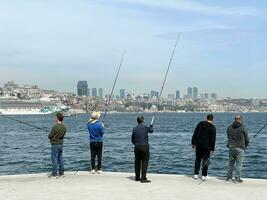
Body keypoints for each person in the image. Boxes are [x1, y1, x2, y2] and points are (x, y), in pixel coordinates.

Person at [191, 114, 216, 181]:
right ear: (212, 119)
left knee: (198, 159)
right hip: (207, 147)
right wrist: (212, 149)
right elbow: (213, 139)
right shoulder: (212, 128)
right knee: (205, 161)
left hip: (198, 145)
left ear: (206, 118)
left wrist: (193, 143)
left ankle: (196, 174)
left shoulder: (200, 124)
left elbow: (195, 134)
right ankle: (204, 175)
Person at [226, 115, 249, 183]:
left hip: (231, 147)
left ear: (235, 119)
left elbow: (228, 137)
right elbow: (247, 139)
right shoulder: (243, 127)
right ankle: (237, 178)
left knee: (231, 163)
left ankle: (229, 177)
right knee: (239, 164)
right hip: (240, 148)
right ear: (240, 119)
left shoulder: (229, 127)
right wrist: (245, 146)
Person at [131, 116, 153, 183]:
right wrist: (151, 126)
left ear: (137, 121)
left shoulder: (134, 129)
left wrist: (136, 144)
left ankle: (137, 177)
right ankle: (143, 178)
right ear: (143, 121)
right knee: (144, 162)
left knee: (137, 162)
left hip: (137, 147)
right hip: (145, 147)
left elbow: (132, 139)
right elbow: (151, 131)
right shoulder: (146, 128)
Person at [48, 112, 67, 178]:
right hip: (61, 144)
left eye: (55, 117)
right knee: (60, 158)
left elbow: (49, 136)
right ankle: (61, 173)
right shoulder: (64, 127)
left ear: (57, 118)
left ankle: (54, 174)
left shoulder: (55, 126)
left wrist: (52, 136)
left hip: (54, 145)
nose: (55, 118)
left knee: (55, 159)